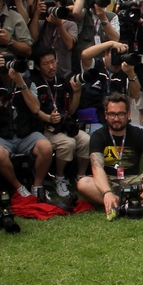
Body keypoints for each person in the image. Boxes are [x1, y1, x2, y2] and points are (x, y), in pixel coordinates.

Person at [77, 93, 143, 214]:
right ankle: (133, 204)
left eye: (121, 114)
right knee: (83, 183)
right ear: (105, 115)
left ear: (128, 114)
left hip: (134, 181)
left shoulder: (139, 133)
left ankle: (120, 206)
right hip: (108, 181)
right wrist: (107, 192)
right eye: (112, 114)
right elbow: (96, 168)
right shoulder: (98, 136)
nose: (116, 119)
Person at [0, 52, 52, 199]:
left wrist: (20, 83)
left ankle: (37, 186)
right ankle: (19, 187)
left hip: (25, 133)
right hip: (1, 134)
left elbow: (35, 108)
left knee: (46, 147)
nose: (8, 69)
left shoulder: (27, 82)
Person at [29, 47, 89, 197]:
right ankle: (60, 178)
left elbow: (72, 110)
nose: (51, 67)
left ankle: (80, 176)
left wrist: (77, 92)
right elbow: (33, 109)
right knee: (67, 144)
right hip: (44, 128)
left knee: (86, 140)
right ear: (37, 66)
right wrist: (48, 118)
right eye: (45, 64)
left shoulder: (61, 80)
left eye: (53, 62)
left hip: (63, 125)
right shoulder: (33, 83)